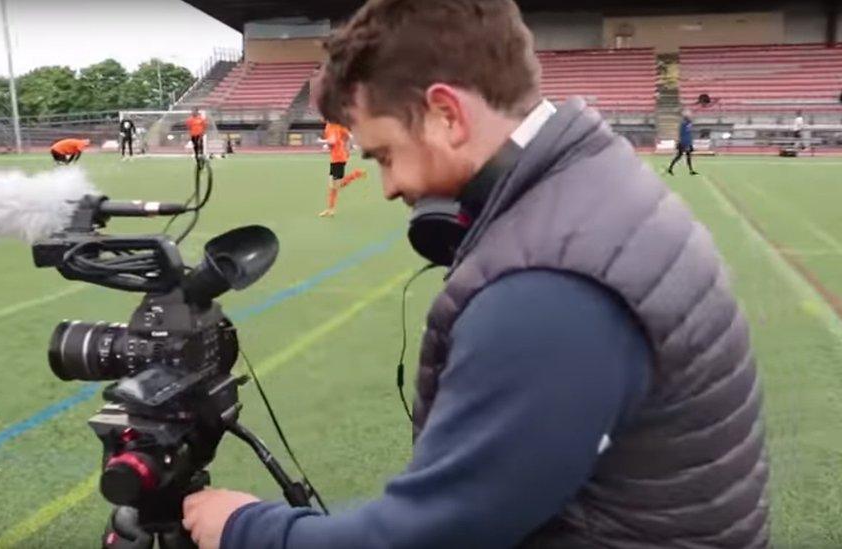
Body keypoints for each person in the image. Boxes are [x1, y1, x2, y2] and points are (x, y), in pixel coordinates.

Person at [182, 1, 770, 549]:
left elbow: (434, 534)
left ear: (446, 114)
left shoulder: (547, 285)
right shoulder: (591, 189)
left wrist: (244, 527)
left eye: (385, 155)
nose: (391, 187)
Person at [317, 121, 366, 217]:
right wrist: (346, 146)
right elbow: (347, 137)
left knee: (336, 186)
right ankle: (330, 210)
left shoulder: (335, 126)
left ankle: (357, 174)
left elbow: (334, 140)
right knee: (333, 186)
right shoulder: (330, 126)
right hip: (336, 158)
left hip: (338, 158)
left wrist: (322, 141)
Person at [667, 110, 698, 176]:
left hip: (687, 142)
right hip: (684, 142)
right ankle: (670, 168)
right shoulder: (684, 124)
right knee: (680, 156)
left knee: (688, 156)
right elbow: (681, 134)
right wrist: (681, 143)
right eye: (689, 115)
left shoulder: (688, 123)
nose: (691, 116)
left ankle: (691, 170)